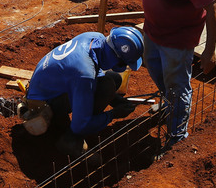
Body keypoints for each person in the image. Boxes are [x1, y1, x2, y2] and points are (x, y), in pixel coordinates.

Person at [141, 0, 216, 151]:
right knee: (154, 67)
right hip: (153, 29)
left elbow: (213, 7)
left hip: (178, 37)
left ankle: (177, 137)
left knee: (177, 86)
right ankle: (171, 105)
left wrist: (209, 50)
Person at [20, 27, 144, 157]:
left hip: (44, 90)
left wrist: (115, 99)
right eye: (122, 64)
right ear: (116, 57)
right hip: (42, 106)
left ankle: (72, 126)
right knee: (106, 86)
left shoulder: (94, 37)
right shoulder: (84, 74)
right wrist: (113, 114)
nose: (122, 67)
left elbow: (95, 73)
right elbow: (80, 125)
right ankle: (70, 140)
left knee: (113, 79)